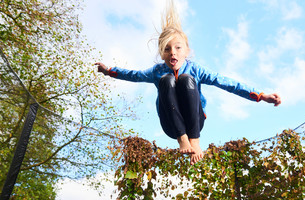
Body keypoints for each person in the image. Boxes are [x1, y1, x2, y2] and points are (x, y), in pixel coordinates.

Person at [95, 0, 281, 165]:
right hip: (171, 124)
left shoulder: (196, 70)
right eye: (167, 49)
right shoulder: (157, 71)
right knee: (166, 80)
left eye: (177, 48)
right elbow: (134, 75)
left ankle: (194, 140)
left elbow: (226, 82)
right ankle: (182, 138)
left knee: (186, 80)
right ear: (162, 53)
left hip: (195, 121)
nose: (173, 53)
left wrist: (260, 95)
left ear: (186, 51)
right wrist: (109, 71)